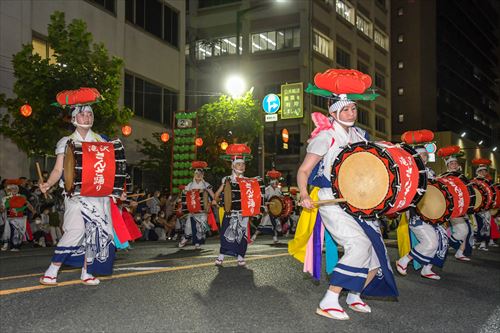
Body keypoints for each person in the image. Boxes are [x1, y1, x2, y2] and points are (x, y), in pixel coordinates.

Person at [291, 71, 398, 321]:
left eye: (354, 108)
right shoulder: (325, 137)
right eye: (346, 109)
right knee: (358, 245)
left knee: (374, 254)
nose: (351, 113)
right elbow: (303, 170)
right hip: (332, 200)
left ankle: (354, 295)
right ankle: (329, 300)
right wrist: (304, 193)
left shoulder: (361, 136)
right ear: (334, 111)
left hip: (359, 201)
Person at [39, 89, 124, 286]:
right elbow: (59, 169)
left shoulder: (101, 140)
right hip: (76, 194)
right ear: (74, 118)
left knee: (95, 233)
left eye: (89, 114)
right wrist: (49, 183)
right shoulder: (66, 141)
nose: (86, 117)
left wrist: (117, 189)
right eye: (82, 114)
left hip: (98, 195)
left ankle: (87, 272)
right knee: (76, 230)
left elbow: (109, 168)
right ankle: (52, 271)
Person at [396, 143, 449, 280]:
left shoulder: (431, 172)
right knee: (430, 242)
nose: (423, 157)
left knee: (442, 239)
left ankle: (427, 268)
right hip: (416, 213)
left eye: (425, 155)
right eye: (420, 155)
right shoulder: (409, 171)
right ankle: (404, 261)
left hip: (432, 213)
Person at [213, 144, 262, 267]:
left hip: (243, 213)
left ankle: (240, 256)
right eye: (239, 164)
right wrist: (219, 197)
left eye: (243, 164)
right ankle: (221, 256)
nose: (242, 166)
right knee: (226, 235)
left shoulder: (248, 181)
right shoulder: (227, 179)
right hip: (230, 212)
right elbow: (217, 195)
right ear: (233, 166)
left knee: (241, 235)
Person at [439, 149, 473, 261]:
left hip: (462, 207)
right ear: (448, 166)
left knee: (466, 231)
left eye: (455, 163)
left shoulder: (462, 177)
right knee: (464, 230)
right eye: (451, 163)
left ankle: (458, 251)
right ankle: (446, 244)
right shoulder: (443, 177)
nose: (454, 165)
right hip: (452, 208)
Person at [178, 161, 215, 249]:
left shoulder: (206, 185)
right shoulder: (190, 185)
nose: (198, 175)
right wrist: (180, 204)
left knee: (200, 227)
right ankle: (186, 237)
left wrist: (215, 201)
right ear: (194, 175)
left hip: (202, 210)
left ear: (203, 175)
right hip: (193, 209)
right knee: (188, 226)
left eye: (200, 173)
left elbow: (213, 195)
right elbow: (184, 196)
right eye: (196, 173)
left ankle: (197, 242)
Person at [1, 181, 35, 251]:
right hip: (11, 218)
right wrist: (3, 206)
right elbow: (3, 208)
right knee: (13, 231)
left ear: (17, 190)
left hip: (21, 217)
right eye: (11, 189)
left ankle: (17, 246)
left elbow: (27, 205)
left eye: (15, 189)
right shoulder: (6, 199)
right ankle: (14, 246)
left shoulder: (22, 197)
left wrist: (33, 211)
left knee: (20, 232)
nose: (13, 190)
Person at [251, 169, 283, 244]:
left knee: (274, 224)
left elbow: (280, 199)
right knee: (263, 224)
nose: (275, 182)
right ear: (270, 182)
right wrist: (267, 204)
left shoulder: (278, 190)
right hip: (268, 209)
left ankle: (275, 238)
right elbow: (262, 200)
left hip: (275, 210)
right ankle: (253, 237)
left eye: (276, 181)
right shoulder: (266, 190)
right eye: (273, 180)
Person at [472, 160, 493, 251]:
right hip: (477, 207)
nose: (483, 172)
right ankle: (478, 240)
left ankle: (483, 242)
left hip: (487, 207)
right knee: (478, 224)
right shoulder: (474, 181)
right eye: (481, 171)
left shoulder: (489, 182)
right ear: (478, 172)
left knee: (486, 225)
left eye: (485, 171)